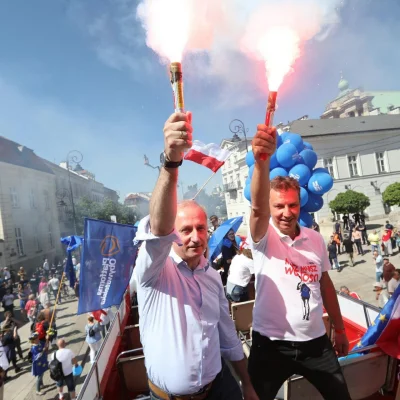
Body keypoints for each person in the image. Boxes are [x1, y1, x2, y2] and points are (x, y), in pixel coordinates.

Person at [134, 112, 257, 400]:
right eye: (186, 229)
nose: (195, 236)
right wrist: (171, 162)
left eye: (201, 228)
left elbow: (227, 336)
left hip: (220, 389)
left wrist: (247, 385)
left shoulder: (213, 276)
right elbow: (159, 229)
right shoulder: (155, 272)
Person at [248, 122, 351, 400]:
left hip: (316, 344)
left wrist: (340, 329)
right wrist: (261, 162)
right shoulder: (263, 237)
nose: (286, 212)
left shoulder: (315, 239)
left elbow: (325, 284)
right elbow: (257, 208)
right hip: (270, 345)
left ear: (300, 205)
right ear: (271, 208)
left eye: (292, 205)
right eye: (278, 206)